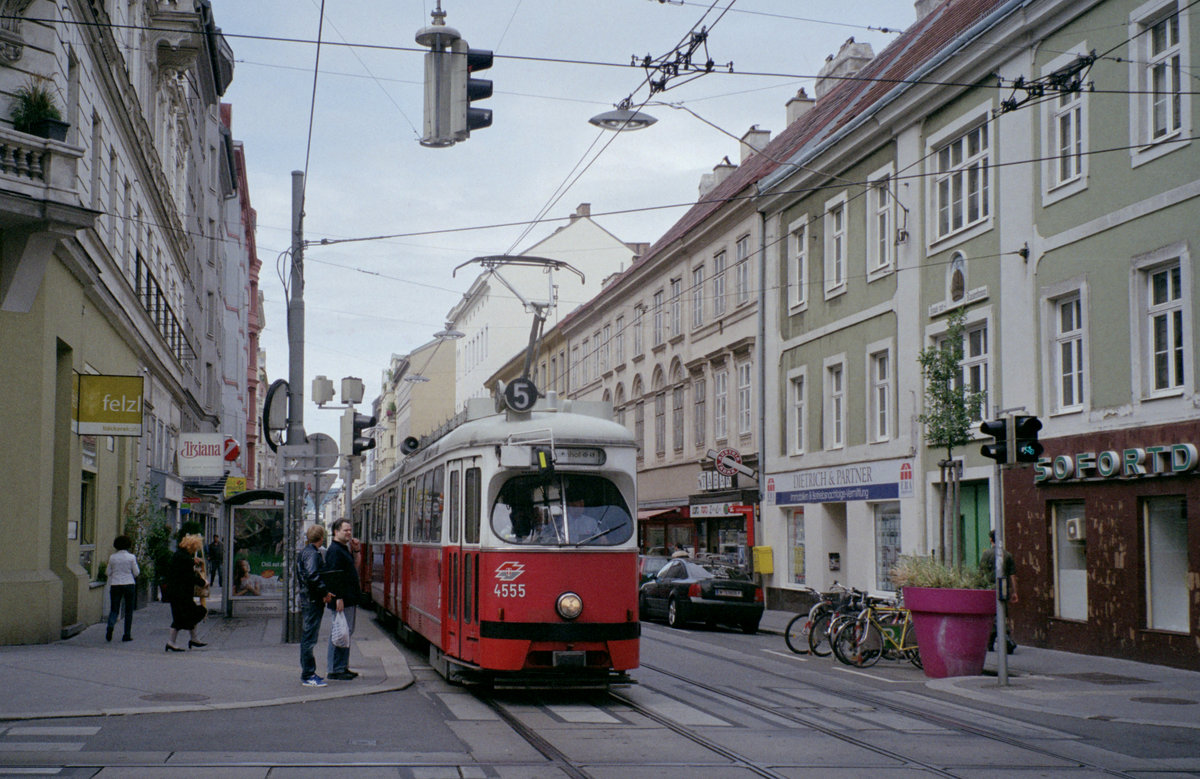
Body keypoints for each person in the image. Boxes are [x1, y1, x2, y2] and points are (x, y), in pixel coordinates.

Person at [323, 518, 361, 681]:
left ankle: (342, 666)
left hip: (348, 598)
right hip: (342, 599)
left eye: (350, 530)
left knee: (345, 632)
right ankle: (335, 669)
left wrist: (357, 550)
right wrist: (338, 597)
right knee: (339, 632)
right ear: (336, 532)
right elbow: (333, 577)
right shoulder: (334, 551)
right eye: (345, 530)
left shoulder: (344, 549)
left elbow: (354, 568)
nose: (349, 533)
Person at [297, 524, 332, 687]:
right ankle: (308, 674)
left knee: (308, 637)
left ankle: (308, 672)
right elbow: (313, 575)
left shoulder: (304, 552)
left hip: (307, 598)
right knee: (309, 638)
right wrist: (324, 592)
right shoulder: (313, 554)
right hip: (312, 600)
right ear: (321, 537)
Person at [164, 533, 207, 652]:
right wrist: (203, 583)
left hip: (176, 592)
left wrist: (192, 561)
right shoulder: (186, 559)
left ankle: (193, 639)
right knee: (185, 616)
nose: (195, 551)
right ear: (192, 547)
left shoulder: (179, 555)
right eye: (195, 548)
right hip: (181, 593)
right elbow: (189, 576)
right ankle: (171, 642)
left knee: (189, 614)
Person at [980, 530, 1017, 654]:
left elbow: (981, 573)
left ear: (991, 540)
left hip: (989, 588)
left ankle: (990, 643)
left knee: (992, 615)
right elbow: (1012, 575)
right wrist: (1015, 591)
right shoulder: (1007, 555)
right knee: (1003, 614)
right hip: (1004, 587)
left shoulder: (986, 554)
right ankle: (1005, 638)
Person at [105, 535, 140, 643]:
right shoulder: (131, 557)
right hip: (129, 584)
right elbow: (136, 572)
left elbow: (108, 572)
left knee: (114, 608)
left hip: (115, 584)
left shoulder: (112, 557)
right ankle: (126, 634)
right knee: (128, 610)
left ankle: (111, 624)